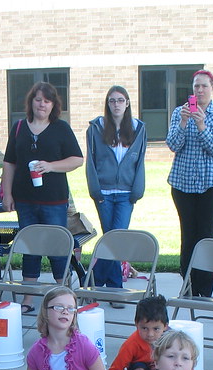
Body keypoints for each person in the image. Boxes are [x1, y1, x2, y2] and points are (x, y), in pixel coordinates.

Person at [1, 81, 84, 313]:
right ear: (31, 102)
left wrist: (50, 166)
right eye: (38, 99)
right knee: (30, 246)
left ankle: (62, 299)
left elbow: (77, 159)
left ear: (53, 105)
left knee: (57, 247)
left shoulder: (61, 128)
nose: (42, 104)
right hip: (25, 200)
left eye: (47, 101)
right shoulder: (19, 128)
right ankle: (28, 299)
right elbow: (9, 162)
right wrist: (7, 194)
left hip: (54, 200)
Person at [166, 69, 213, 298]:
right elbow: (173, 144)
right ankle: (188, 286)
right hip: (182, 185)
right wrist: (183, 123)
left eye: (204, 86)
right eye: (196, 87)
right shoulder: (179, 113)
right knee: (187, 236)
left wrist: (201, 126)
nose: (199, 90)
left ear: (212, 88)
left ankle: (205, 289)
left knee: (205, 236)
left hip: (209, 185)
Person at [85, 85, 147, 288]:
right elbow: (91, 162)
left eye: (120, 100)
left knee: (115, 239)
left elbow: (140, 163)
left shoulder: (138, 128)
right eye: (112, 101)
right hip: (104, 193)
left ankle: (94, 280)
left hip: (126, 194)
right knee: (110, 239)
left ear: (127, 103)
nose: (116, 104)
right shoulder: (97, 127)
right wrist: (95, 191)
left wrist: (137, 191)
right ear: (107, 104)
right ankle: (113, 286)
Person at [107, 295, 168, 370]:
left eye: (156, 329)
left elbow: (186, 366)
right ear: (136, 324)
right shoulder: (131, 344)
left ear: (165, 327)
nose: (150, 334)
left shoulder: (171, 341)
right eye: (144, 328)